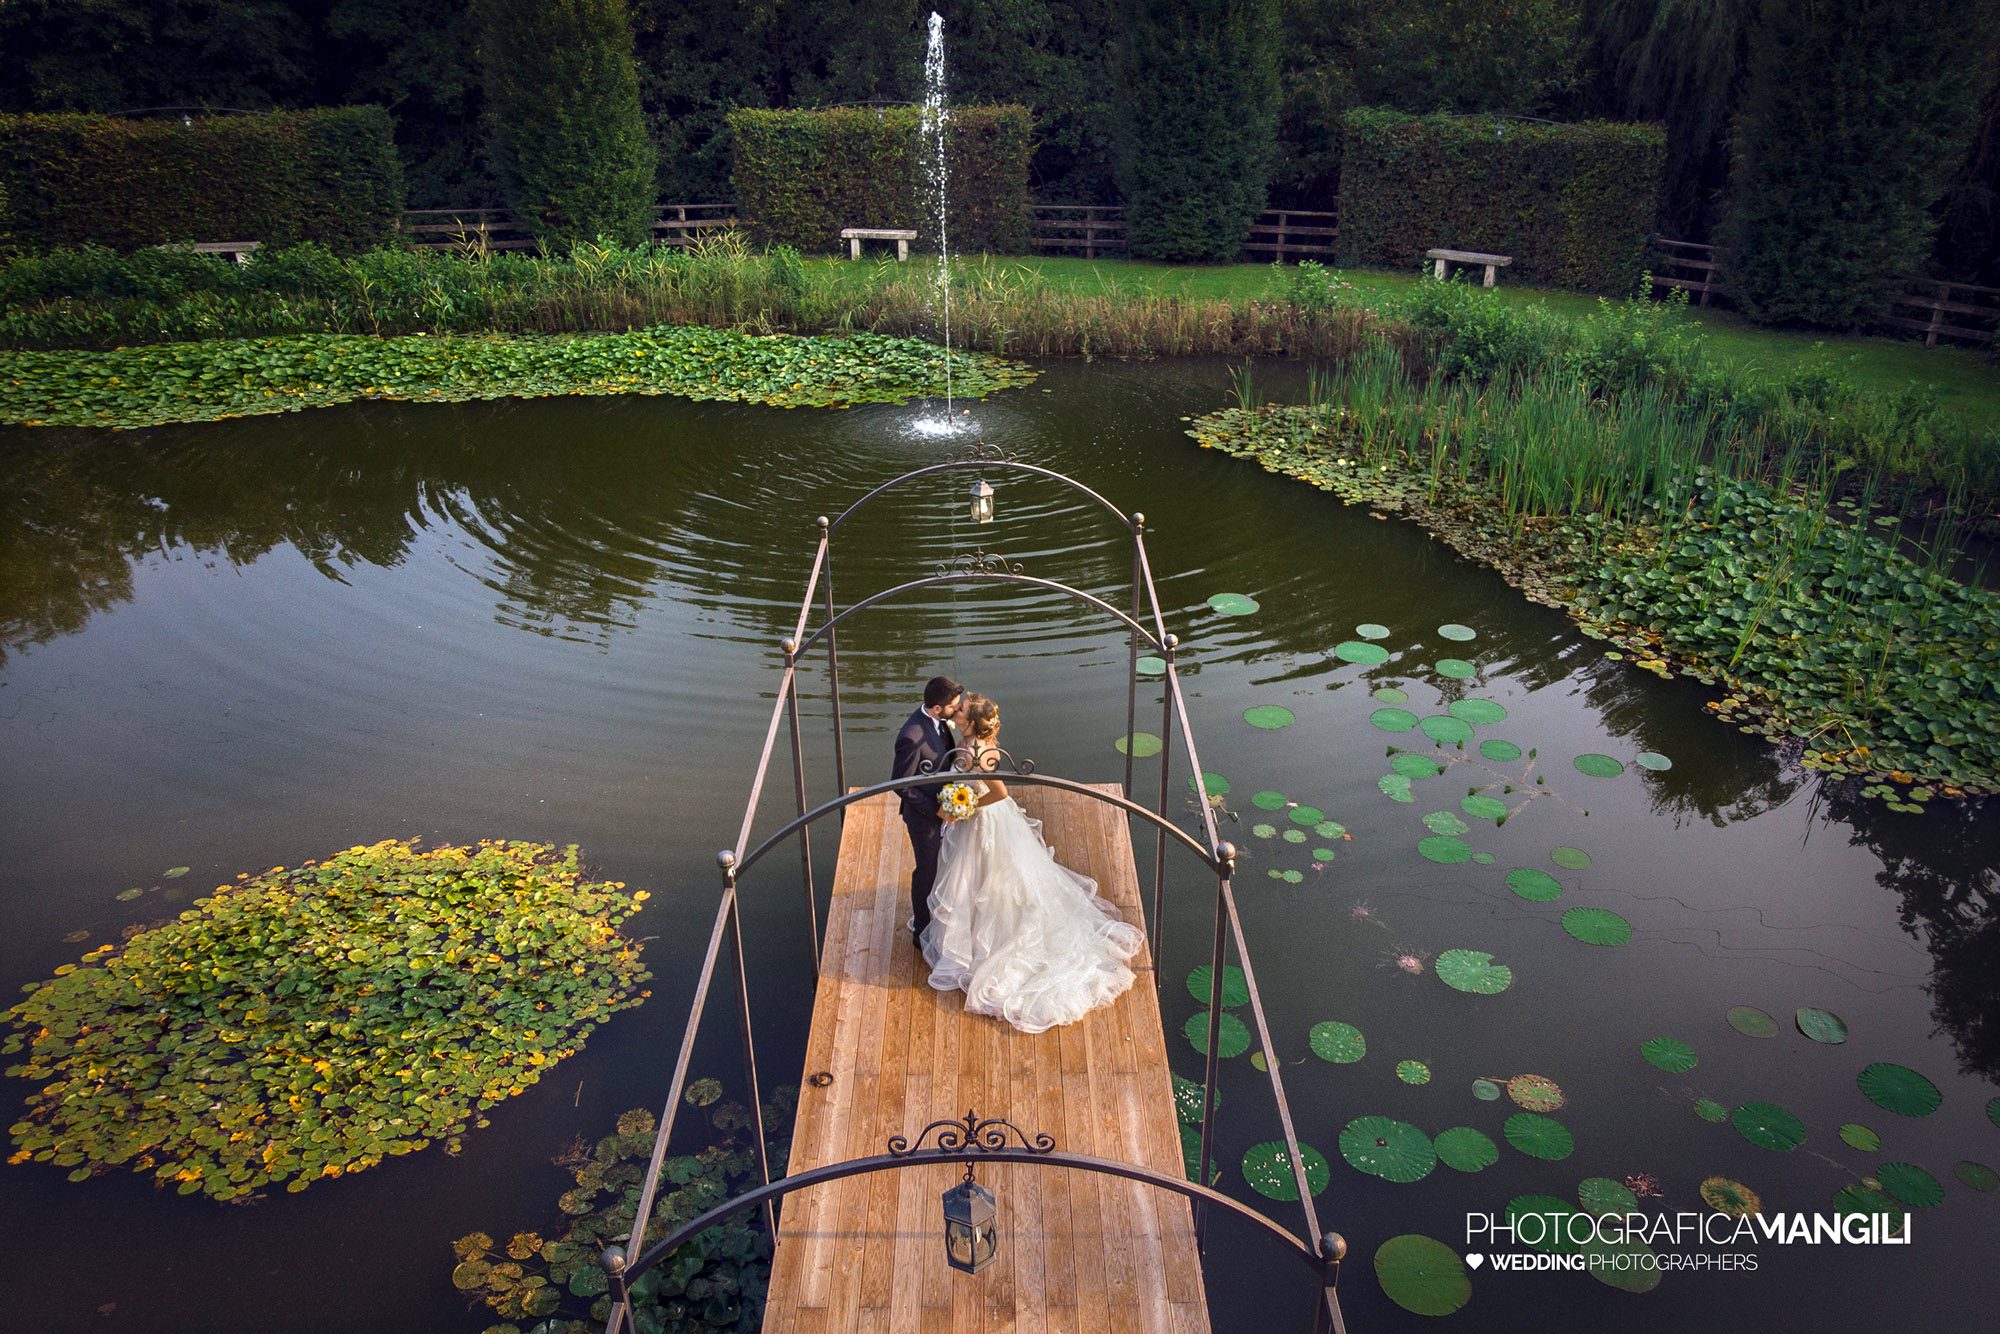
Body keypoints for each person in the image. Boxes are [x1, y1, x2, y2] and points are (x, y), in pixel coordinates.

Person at [921, 693, 1144, 1034]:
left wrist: (965, 807)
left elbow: (999, 794)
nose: (958, 706)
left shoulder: (978, 751)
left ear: (972, 720)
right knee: (973, 880)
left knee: (993, 881)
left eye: (963, 707)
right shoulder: (966, 741)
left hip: (986, 821)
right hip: (976, 820)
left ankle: (992, 942)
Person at [892, 675, 965, 947]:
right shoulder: (911, 737)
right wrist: (936, 810)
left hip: (946, 805)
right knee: (926, 871)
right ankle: (921, 932)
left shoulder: (938, 723)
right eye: (953, 707)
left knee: (943, 867)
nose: (957, 710)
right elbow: (901, 784)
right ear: (937, 709)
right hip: (924, 819)